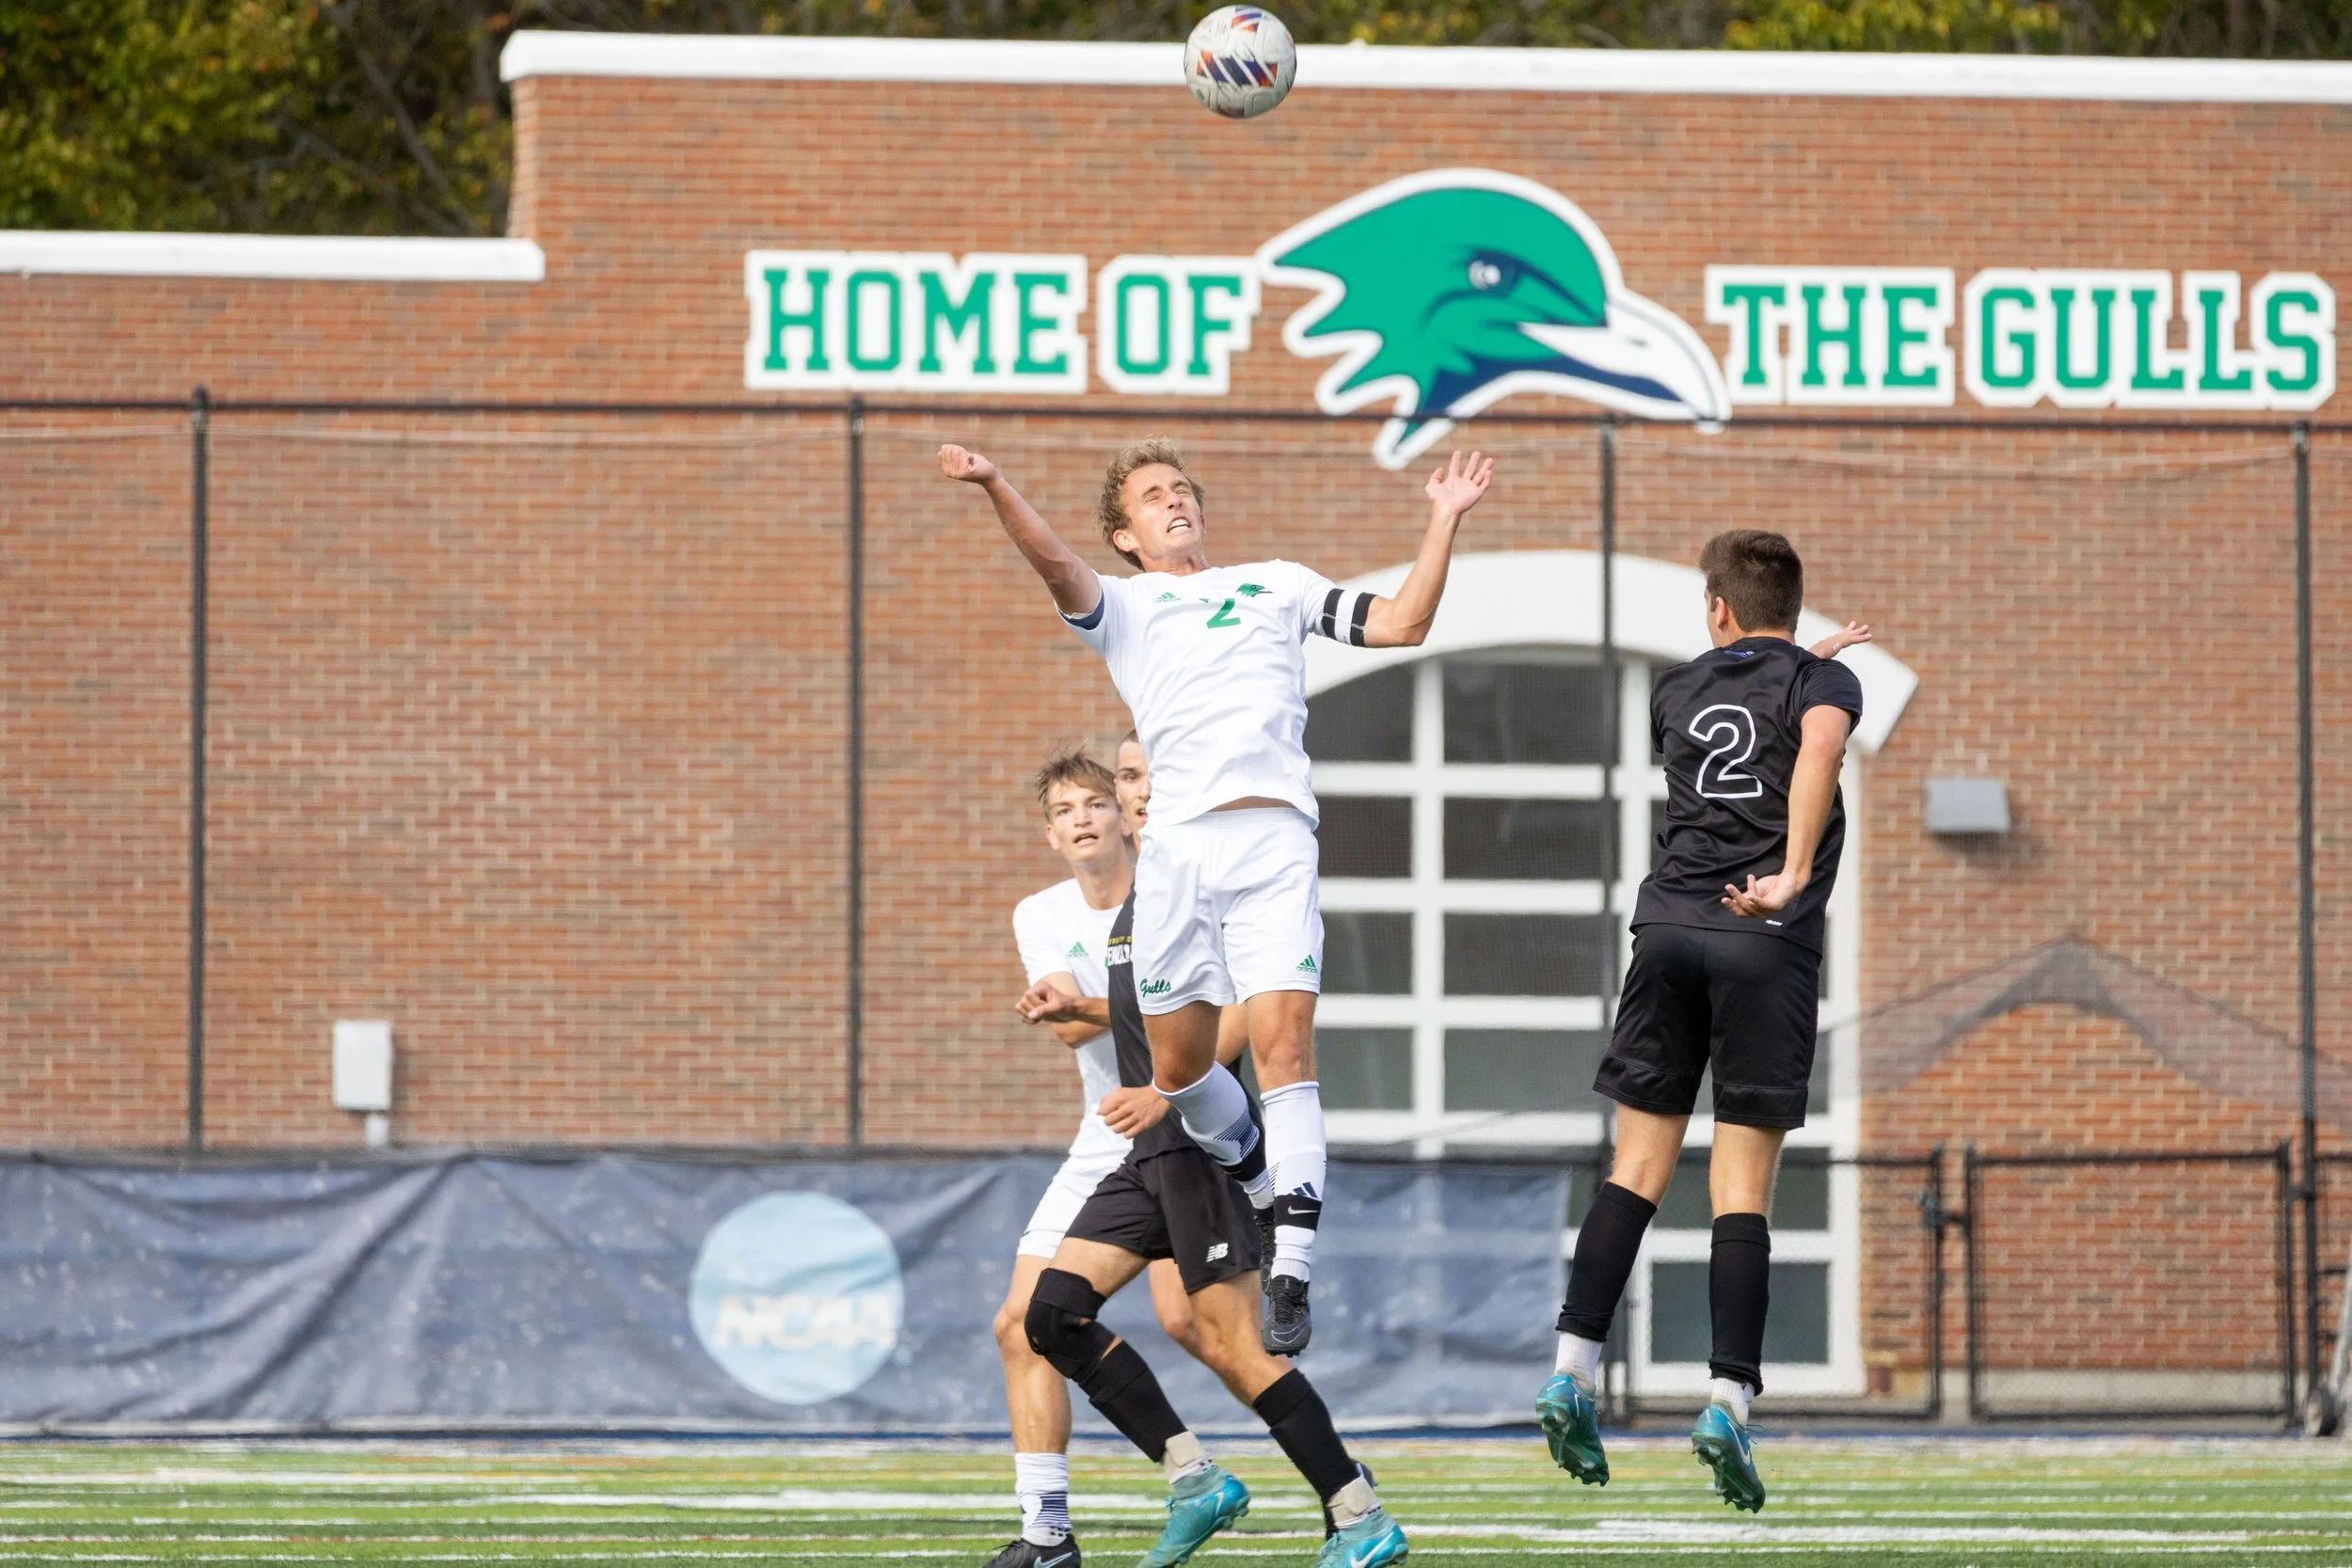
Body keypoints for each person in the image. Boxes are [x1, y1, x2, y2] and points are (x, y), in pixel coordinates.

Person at [944, 436, 1495, 1354]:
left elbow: (1401, 624)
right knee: (1180, 1073)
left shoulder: (1278, 584)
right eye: (1152, 495)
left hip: (1273, 838)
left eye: (1182, 488)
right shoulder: (1124, 607)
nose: (1175, 500)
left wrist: (1442, 518)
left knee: (1283, 1045)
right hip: (1177, 854)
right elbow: (1054, 562)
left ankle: (1292, 1265)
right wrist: (997, 483)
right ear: (1126, 536)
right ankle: (1262, 1182)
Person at [1536, 531, 1870, 1513]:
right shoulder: (1821, 683)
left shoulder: (1674, 689)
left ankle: (1570, 1368)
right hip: (1762, 941)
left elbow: (1747, 704)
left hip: (1669, 931)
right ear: (1796, 610)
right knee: (1740, 1190)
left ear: (1718, 608)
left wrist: (1802, 665)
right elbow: (1815, 742)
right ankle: (1727, 1399)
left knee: (1631, 1171)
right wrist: (1792, 873)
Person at [1014, 738, 1409, 1568]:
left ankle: (1359, 1511)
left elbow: (1238, 1015)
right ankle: (1194, 1477)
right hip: (1146, 1156)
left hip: (1201, 1147)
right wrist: (1079, 1007)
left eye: (1147, 777)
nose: (1137, 791)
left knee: (1233, 1346)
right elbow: (1146, 1012)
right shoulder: (1143, 896)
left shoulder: (1203, 882)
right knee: (1048, 1315)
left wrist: (1165, 1092)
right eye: (1127, 776)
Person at [989, 747, 1200, 1568]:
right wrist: (1073, 1005)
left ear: (1126, 816)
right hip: (1105, 1134)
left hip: (1185, 1128)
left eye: (1094, 803)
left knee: (1197, 1325)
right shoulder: (1040, 912)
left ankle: (1336, 1480)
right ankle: (1047, 1534)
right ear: (1051, 835)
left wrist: (1085, 1001)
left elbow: (1196, 1012)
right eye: (1063, 811)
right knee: (1020, 1324)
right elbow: (1072, 1029)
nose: (1080, 819)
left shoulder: (1171, 894)